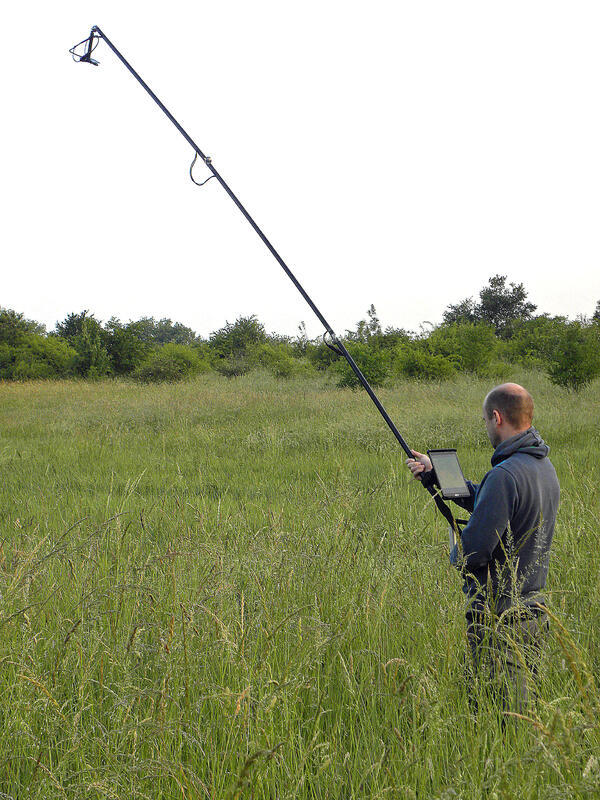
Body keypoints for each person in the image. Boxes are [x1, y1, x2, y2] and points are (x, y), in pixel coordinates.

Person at [406, 383, 560, 711]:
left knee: (504, 718)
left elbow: (474, 550)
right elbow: (489, 501)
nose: (487, 427)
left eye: (486, 421)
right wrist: (436, 475)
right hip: (534, 613)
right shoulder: (543, 467)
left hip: (501, 619)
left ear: (496, 417)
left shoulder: (505, 475)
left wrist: (456, 556)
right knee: (523, 712)